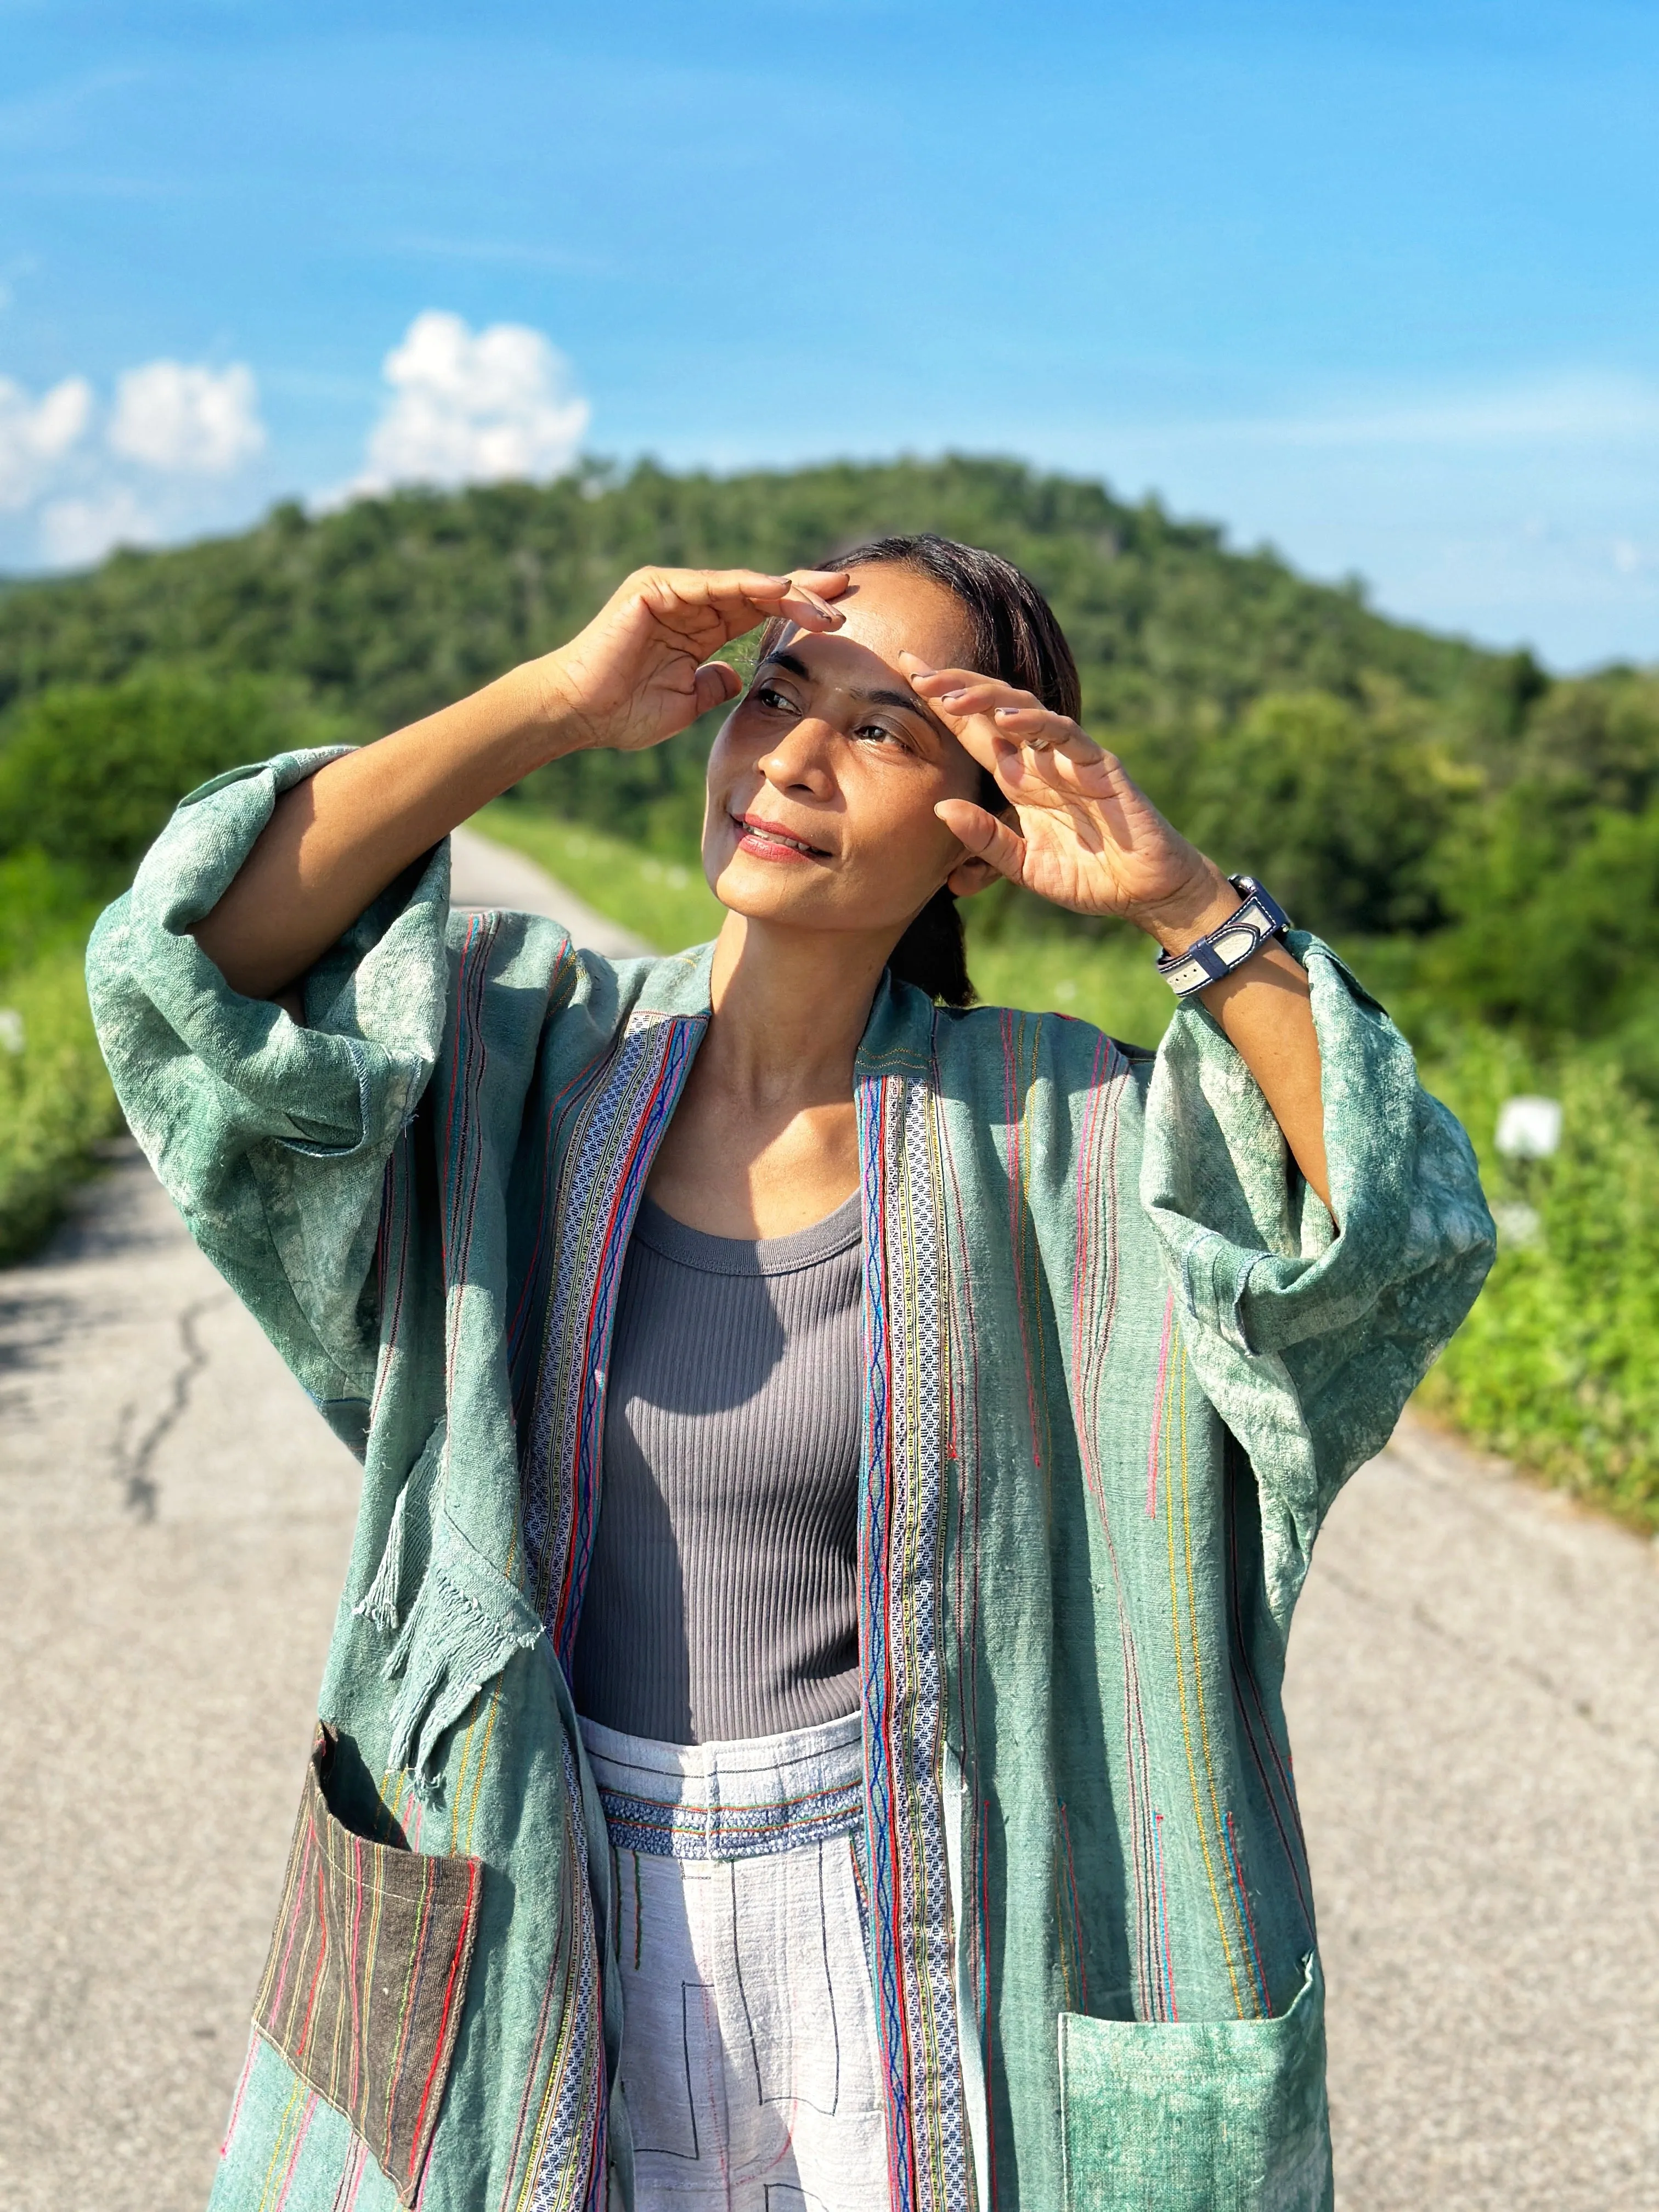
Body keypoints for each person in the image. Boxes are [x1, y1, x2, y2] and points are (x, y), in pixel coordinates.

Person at [88, 535, 1493, 2212]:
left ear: (983, 834)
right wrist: (552, 702)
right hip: (548, 1883)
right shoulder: (524, 1056)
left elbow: (1389, 1233)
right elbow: (185, 977)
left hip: (917, 1936)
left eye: (886, 732)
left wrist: (1191, 909)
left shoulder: (1065, 1136)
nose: (794, 761)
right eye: (773, 697)